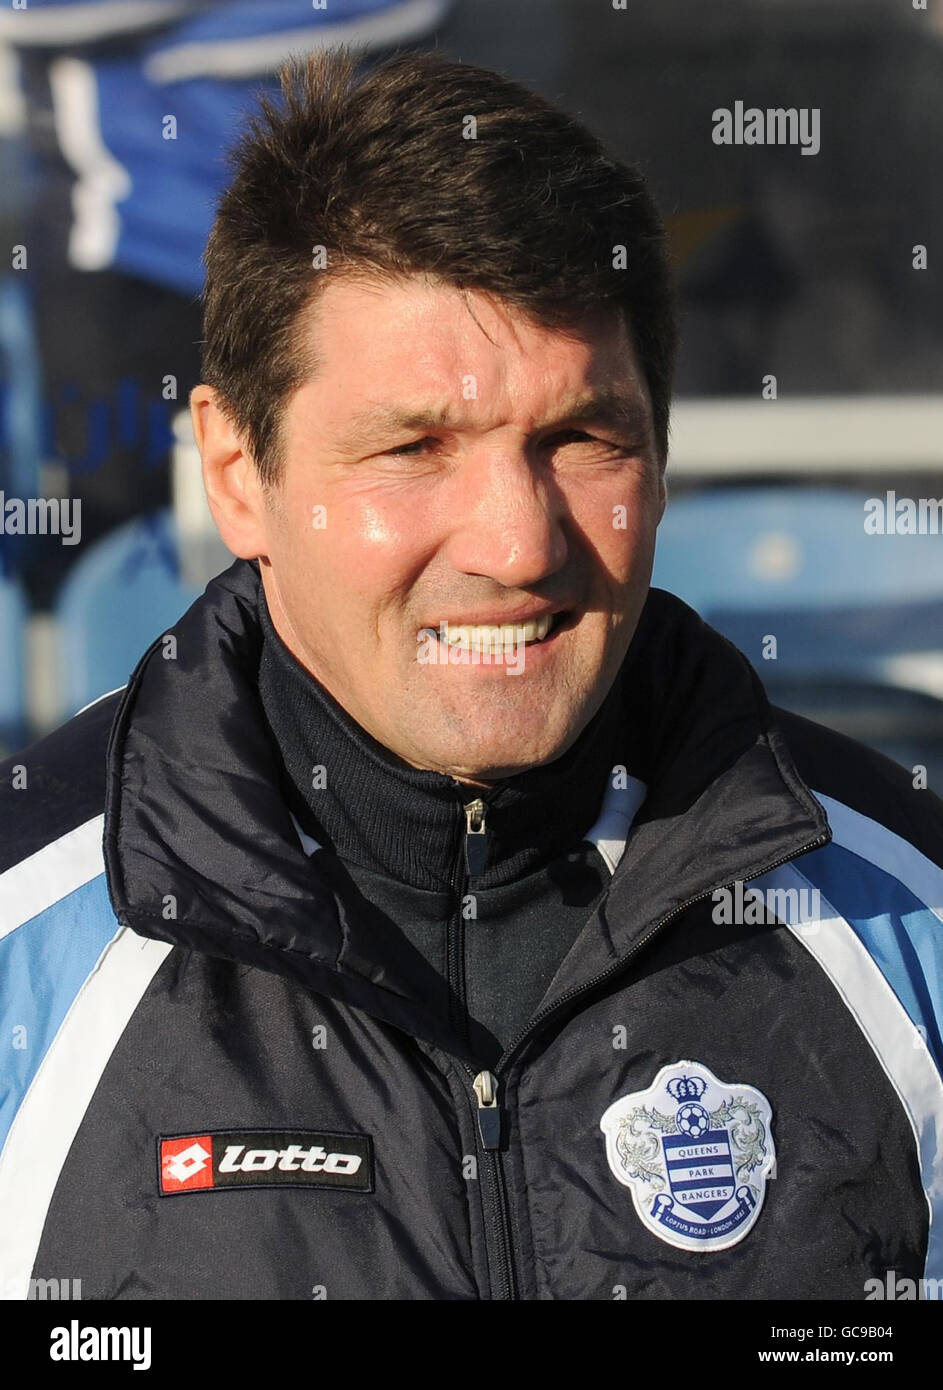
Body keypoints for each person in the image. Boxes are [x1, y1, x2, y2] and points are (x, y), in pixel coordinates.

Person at [1, 48, 941, 1302]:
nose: (517, 545)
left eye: (579, 439)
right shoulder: (27, 950)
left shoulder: (910, 922)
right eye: (413, 447)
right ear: (237, 474)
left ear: (659, 454)